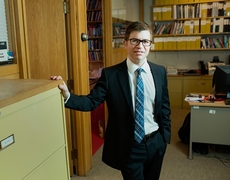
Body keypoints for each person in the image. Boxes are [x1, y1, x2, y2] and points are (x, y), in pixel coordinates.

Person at [51, 21, 171, 180]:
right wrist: (67, 95)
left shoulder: (159, 71)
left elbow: (164, 107)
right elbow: (91, 102)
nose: (140, 46)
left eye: (145, 41)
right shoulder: (111, 75)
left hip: (155, 143)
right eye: (134, 40)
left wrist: (164, 138)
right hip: (130, 146)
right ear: (126, 43)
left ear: (150, 45)